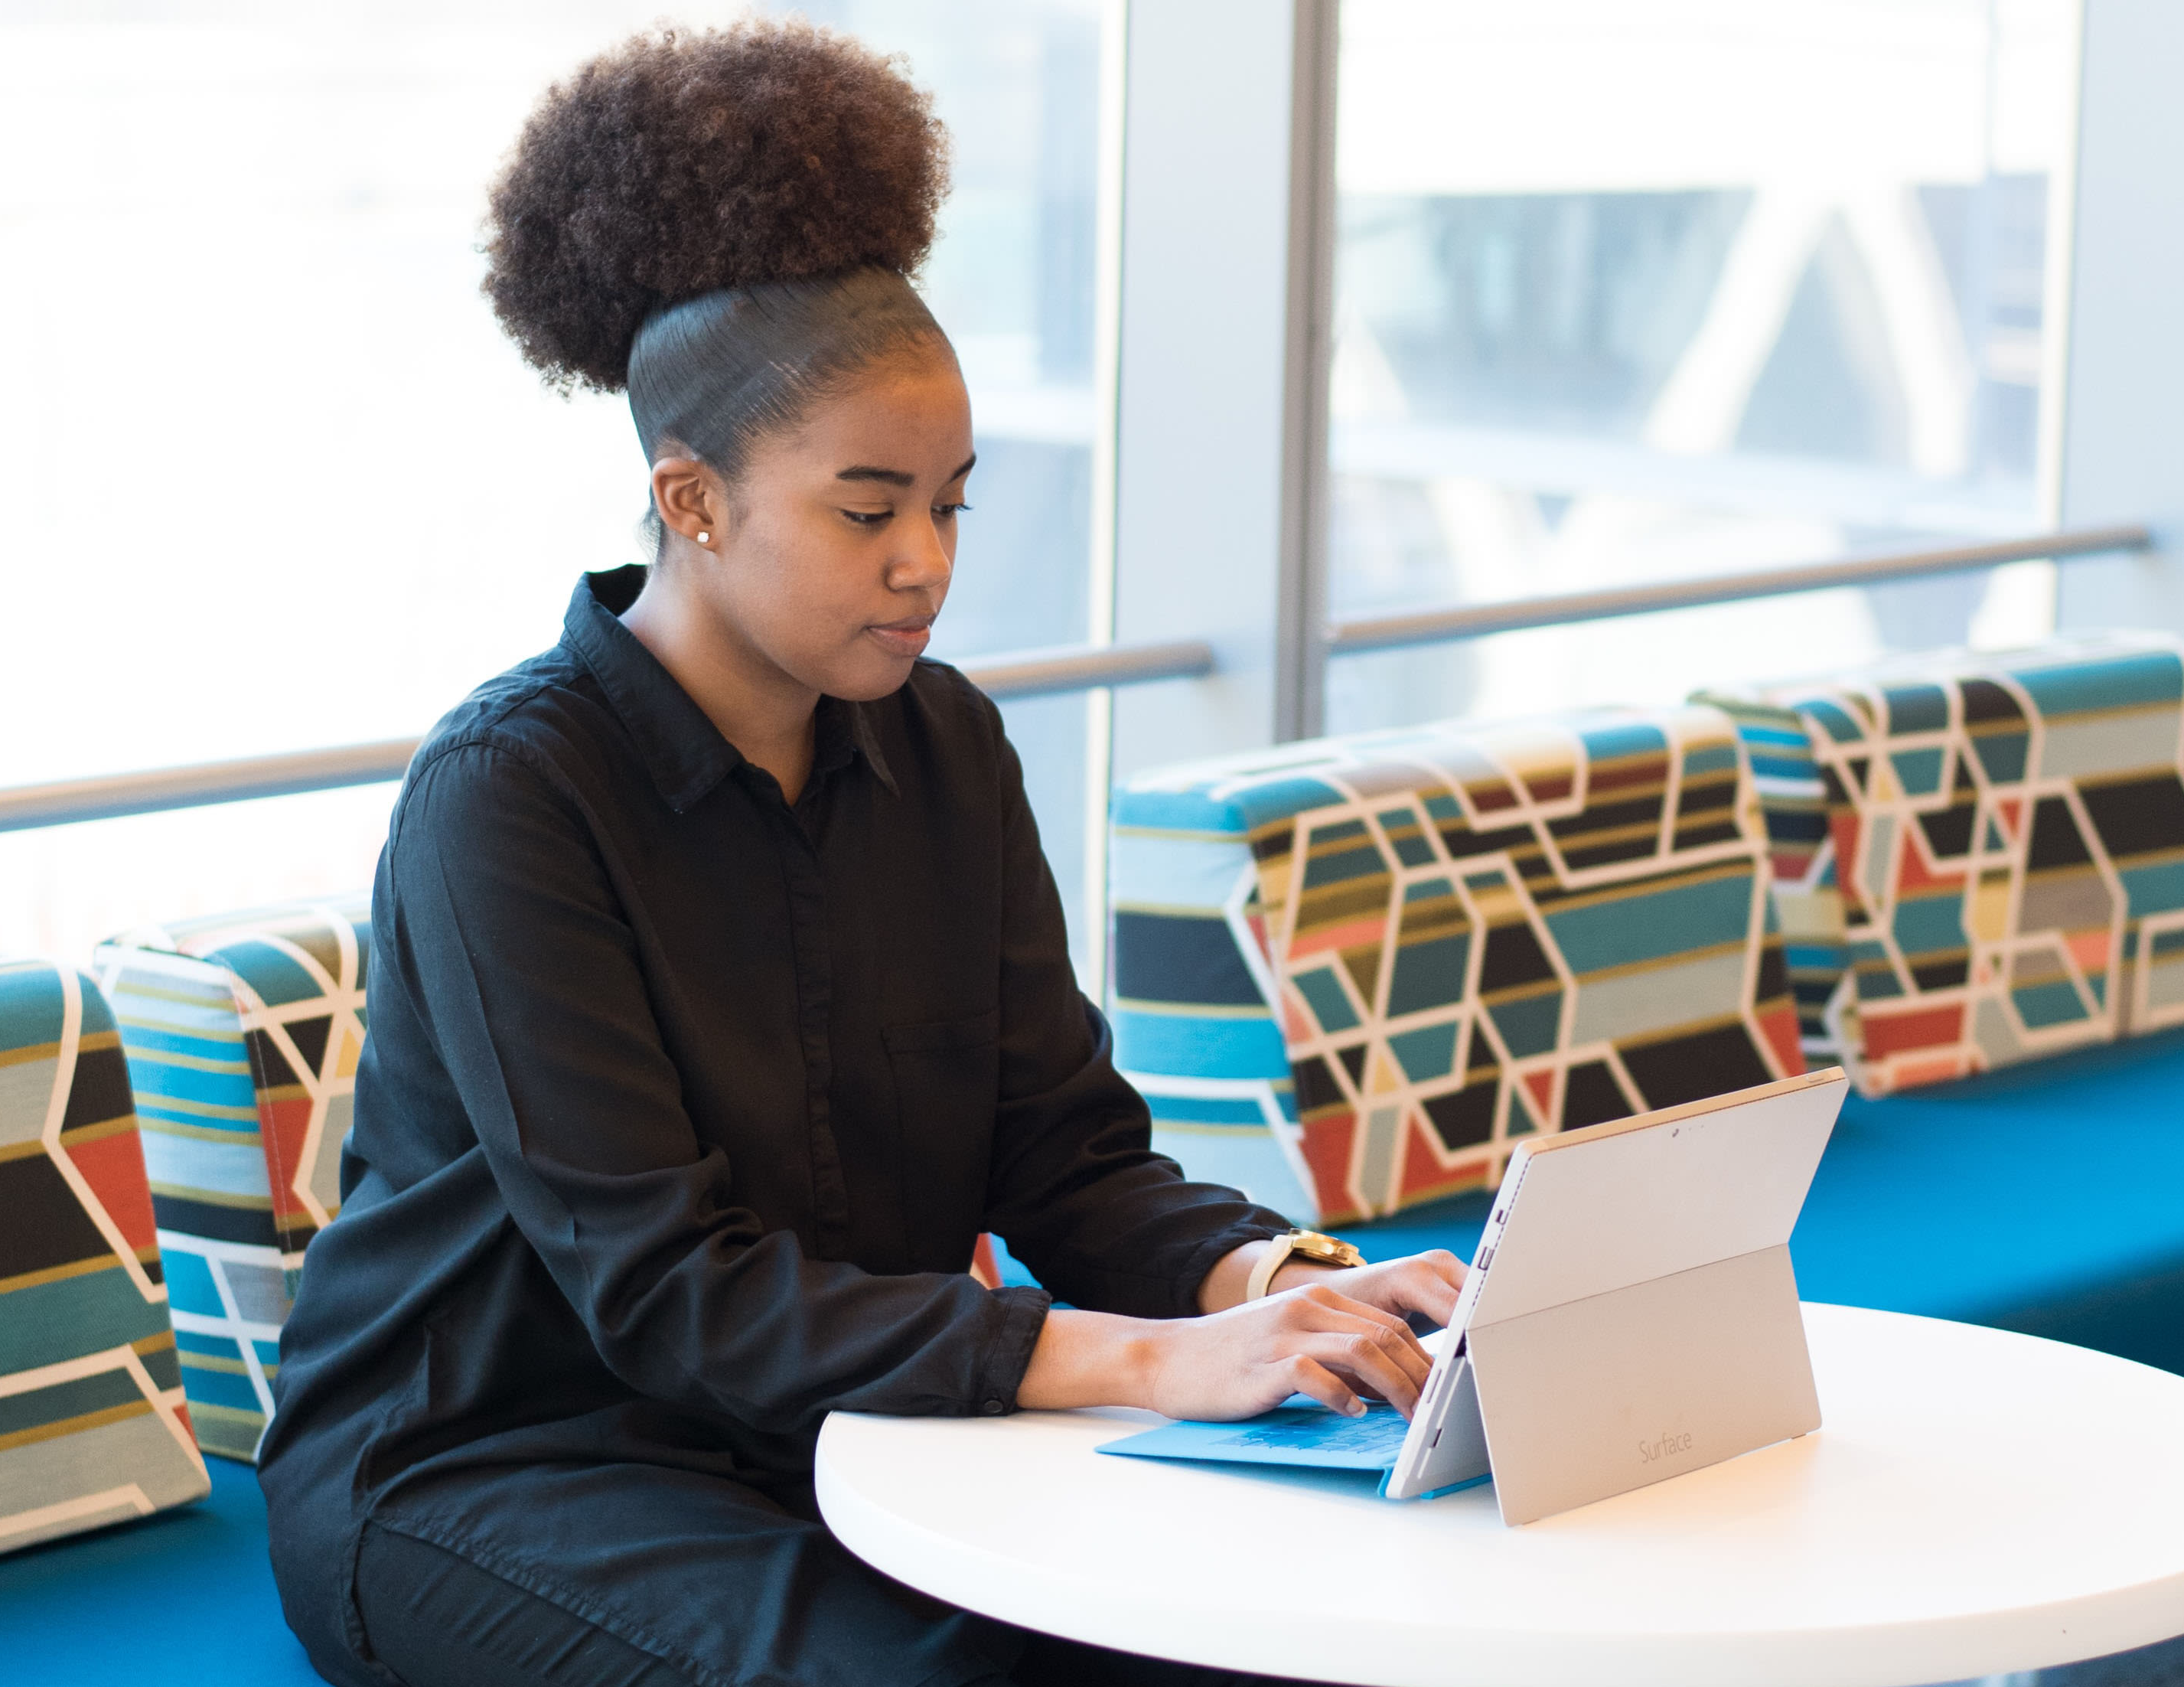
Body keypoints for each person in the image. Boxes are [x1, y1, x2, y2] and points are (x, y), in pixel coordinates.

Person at [258, 22, 1465, 1687]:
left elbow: (1065, 1156)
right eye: (867, 507)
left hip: (853, 1434)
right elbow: (671, 1293)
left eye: (954, 505)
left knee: (1262, 1625)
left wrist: (1289, 1281)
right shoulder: (511, 794)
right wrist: (1156, 1364)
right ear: (690, 501)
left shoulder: (945, 745)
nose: (926, 564)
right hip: (494, 1468)